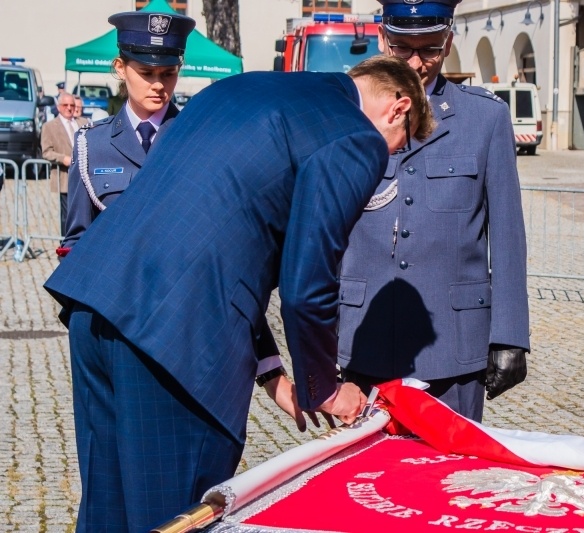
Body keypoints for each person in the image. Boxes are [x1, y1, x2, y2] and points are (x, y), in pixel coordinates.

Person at [43, 53, 433, 532]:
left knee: (107, 509)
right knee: (175, 515)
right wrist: (325, 390)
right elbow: (307, 284)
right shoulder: (355, 135)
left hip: (98, 303)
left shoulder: (240, 90)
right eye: (400, 144)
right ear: (397, 109)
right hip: (178, 340)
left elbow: (222, 246)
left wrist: (274, 375)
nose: (390, 156)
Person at [337, 0, 530, 422]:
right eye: (403, 48)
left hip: (453, 343)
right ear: (384, 39)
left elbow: (508, 236)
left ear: (448, 40)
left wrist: (510, 336)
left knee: (446, 478)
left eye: (430, 48)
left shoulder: (485, 118)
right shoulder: (346, 115)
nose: (417, 62)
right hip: (364, 337)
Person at [58, 10, 189, 254]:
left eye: (168, 73)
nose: (159, 84)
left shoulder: (196, 139)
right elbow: (76, 242)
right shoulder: (93, 143)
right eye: (146, 73)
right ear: (120, 67)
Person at [40, 92, 78, 236]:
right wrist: (64, 159)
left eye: (72, 105)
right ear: (58, 107)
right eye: (65, 105)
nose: (69, 108)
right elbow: (46, 152)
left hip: (85, 178)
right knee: (67, 216)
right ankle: (65, 251)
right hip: (65, 178)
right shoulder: (49, 127)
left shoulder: (83, 123)